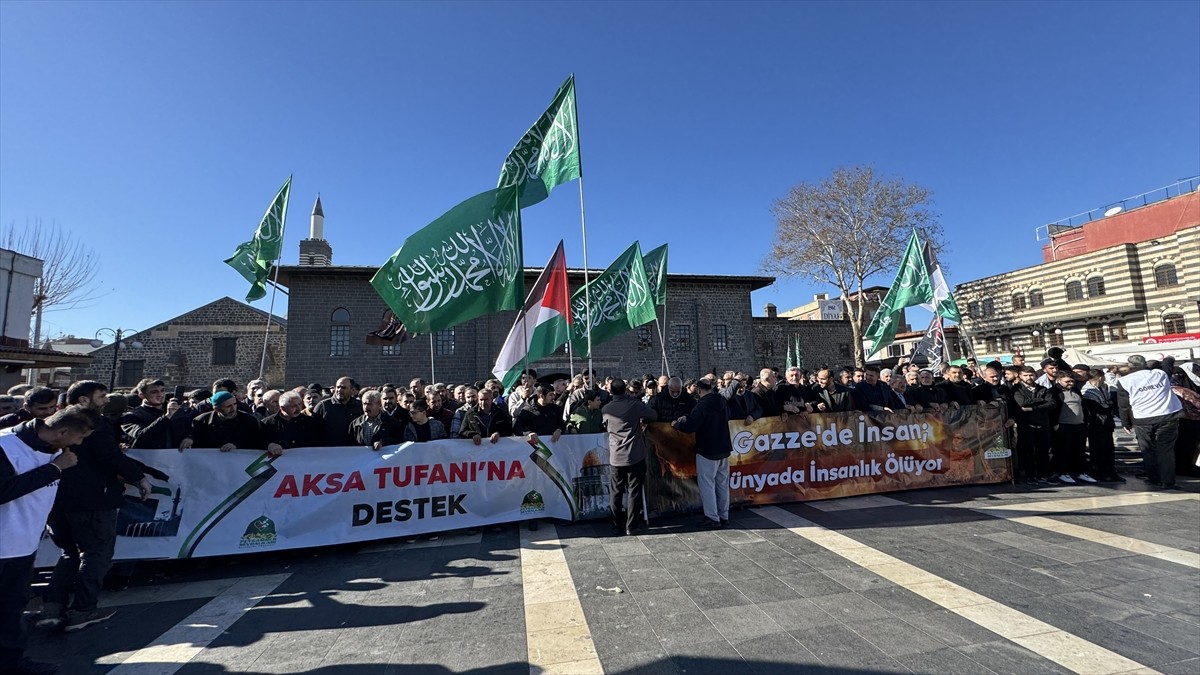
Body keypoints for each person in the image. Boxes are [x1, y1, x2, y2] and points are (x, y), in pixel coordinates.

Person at [38, 382, 152, 633]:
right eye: (101, 397)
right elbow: (110, 456)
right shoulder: (93, 424)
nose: (106, 401)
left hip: (58, 500)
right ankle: (83, 610)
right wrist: (138, 477)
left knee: (69, 553)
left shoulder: (52, 423)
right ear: (83, 400)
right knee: (96, 554)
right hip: (92, 500)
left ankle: (53, 607)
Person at [1, 406, 94, 675]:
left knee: (12, 607)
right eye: (79, 437)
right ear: (62, 431)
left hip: (22, 544)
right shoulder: (6, 445)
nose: (79, 444)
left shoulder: (54, 448)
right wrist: (54, 469)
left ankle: (11, 662)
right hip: (4, 544)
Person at [672, 378, 732, 529]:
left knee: (707, 485)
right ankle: (724, 515)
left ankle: (712, 517)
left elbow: (692, 426)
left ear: (699, 390)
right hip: (724, 448)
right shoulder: (721, 401)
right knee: (722, 484)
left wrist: (678, 424)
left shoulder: (702, 405)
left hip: (708, 450)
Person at [602, 379, 658, 536]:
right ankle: (631, 526)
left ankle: (615, 526)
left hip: (616, 456)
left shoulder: (606, 409)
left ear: (610, 391)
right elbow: (653, 415)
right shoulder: (634, 404)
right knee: (634, 490)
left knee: (616, 492)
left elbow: (605, 425)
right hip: (634, 454)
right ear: (626, 390)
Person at [1117, 355, 1183, 489]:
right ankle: (1167, 481)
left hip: (1143, 418)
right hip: (1166, 416)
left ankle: (1154, 479)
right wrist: (1168, 357)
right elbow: (1168, 364)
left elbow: (1124, 405)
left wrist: (1126, 423)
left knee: (1147, 450)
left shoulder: (1124, 381)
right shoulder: (1160, 374)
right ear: (1144, 364)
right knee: (1166, 450)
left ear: (1130, 366)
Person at [179, 391, 265, 452]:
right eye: (228, 406)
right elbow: (192, 434)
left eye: (235, 404)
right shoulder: (201, 421)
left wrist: (237, 446)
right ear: (217, 408)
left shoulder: (249, 420)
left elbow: (256, 442)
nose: (233, 409)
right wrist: (189, 439)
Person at [1012, 366, 1056, 485]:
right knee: (1028, 452)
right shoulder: (1017, 389)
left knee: (1043, 451)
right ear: (1020, 376)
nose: (1029, 377)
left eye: (1031, 375)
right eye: (1025, 375)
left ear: (1035, 375)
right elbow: (1022, 402)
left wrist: (1033, 408)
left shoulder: (1042, 389)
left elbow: (1052, 404)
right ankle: (1030, 476)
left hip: (1043, 424)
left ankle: (1043, 475)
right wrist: (1041, 400)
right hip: (1026, 424)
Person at [1049, 372, 1095, 484]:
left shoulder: (1076, 391)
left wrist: (1086, 421)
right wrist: (1055, 424)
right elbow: (1052, 409)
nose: (1070, 383)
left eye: (1072, 381)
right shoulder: (1054, 392)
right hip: (1063, 425)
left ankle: (1080, 472)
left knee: (1079, 450)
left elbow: (1083, 406)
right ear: (1059, 380)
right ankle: (1062, 472)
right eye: (1067, 381)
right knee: (1063, 451)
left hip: (1079, 425)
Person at [1081, 369, 1122, 482]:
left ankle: (1111, 471)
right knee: (1098, 449)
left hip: (1107, 423)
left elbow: (1111, 404)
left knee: (1109, 448)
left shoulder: (1103, 388)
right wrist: (1106, 406)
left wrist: (1107, 406)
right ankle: (1100, 472)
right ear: (1100, 377)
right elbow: (1096, 408)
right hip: (1096, 424)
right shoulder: (1087, 391)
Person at [261, 391, 320, 457]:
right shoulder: (267, 423)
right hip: (278, 460)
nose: (298, 408)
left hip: (306, 458)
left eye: (299, 404)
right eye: (293, 406)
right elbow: (259, 442)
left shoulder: (311, 422)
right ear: (283, 408)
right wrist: (269, 445)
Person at [311, 377, 361, 446]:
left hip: (355, 449)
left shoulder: (359, 405)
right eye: (338, 387)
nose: (339, 390)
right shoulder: (323, 406)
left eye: (343, 388)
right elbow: (313, 429)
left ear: (352, 390)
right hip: (330, 449)